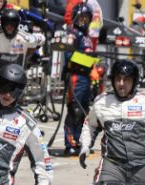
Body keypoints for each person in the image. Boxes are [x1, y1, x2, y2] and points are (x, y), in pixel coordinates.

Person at [0, 8, 46, 92]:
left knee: (14, 102)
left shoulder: (25, 38)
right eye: (6, 24)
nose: (9, 27)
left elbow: (42, 39)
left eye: (12, 24)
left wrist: (30, 52)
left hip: (18, 79)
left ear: (17, 24)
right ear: (2, 24)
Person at [62, 2, 96, 157]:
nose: (84, 20)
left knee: (83, 111)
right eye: (81, 17)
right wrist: (90, 61)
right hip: (75, 76)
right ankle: (70, 144)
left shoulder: (87, 36)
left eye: (86, 18)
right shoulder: (72, 34)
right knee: (74, 110)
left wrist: (97, 64)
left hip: (86, 77)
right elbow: (69, 55)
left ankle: (79, 140)